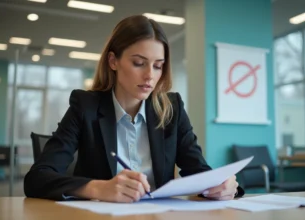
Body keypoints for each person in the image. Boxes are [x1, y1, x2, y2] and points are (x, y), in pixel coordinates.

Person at [24, 15, 243, 202]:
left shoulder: (171, 109)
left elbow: (199, 173)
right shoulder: (85, 106)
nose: (150, 75)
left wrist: (222, 186)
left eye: (158, 66)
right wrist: (99, 188)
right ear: (113, 61)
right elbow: (37, 178)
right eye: (139, 63)